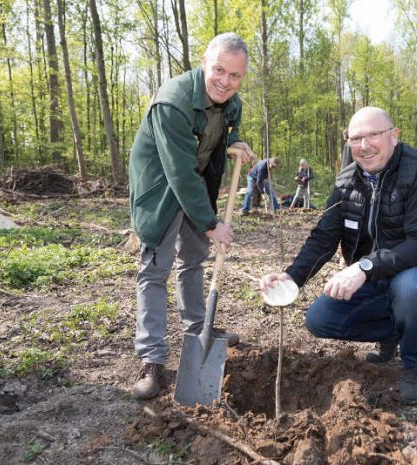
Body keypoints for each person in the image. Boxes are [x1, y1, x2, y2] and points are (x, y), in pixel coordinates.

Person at [260, 107, 417, 404]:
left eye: (373, 135)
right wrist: (292, 276)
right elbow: (324, 237)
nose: (364, 145)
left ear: (394, 135)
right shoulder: (346, 182)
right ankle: (396, 331)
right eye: (356, 138)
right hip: (377, 276)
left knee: (411, 287)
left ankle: (416, 364)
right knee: (320, 319)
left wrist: (364, 267)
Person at [128, 32, 254, 401]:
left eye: (235, 76)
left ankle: (199, 328)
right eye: (219, 70)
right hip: (161, 189)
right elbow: (178, 172)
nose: (225, 81)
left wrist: (235, 141)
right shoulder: (174, 102)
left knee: (194, 260)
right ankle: (151, 359)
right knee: (155, 269)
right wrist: (211, 222)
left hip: (196, 186)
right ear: (204, 64)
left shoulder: (231, 103)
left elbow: (218, 135)